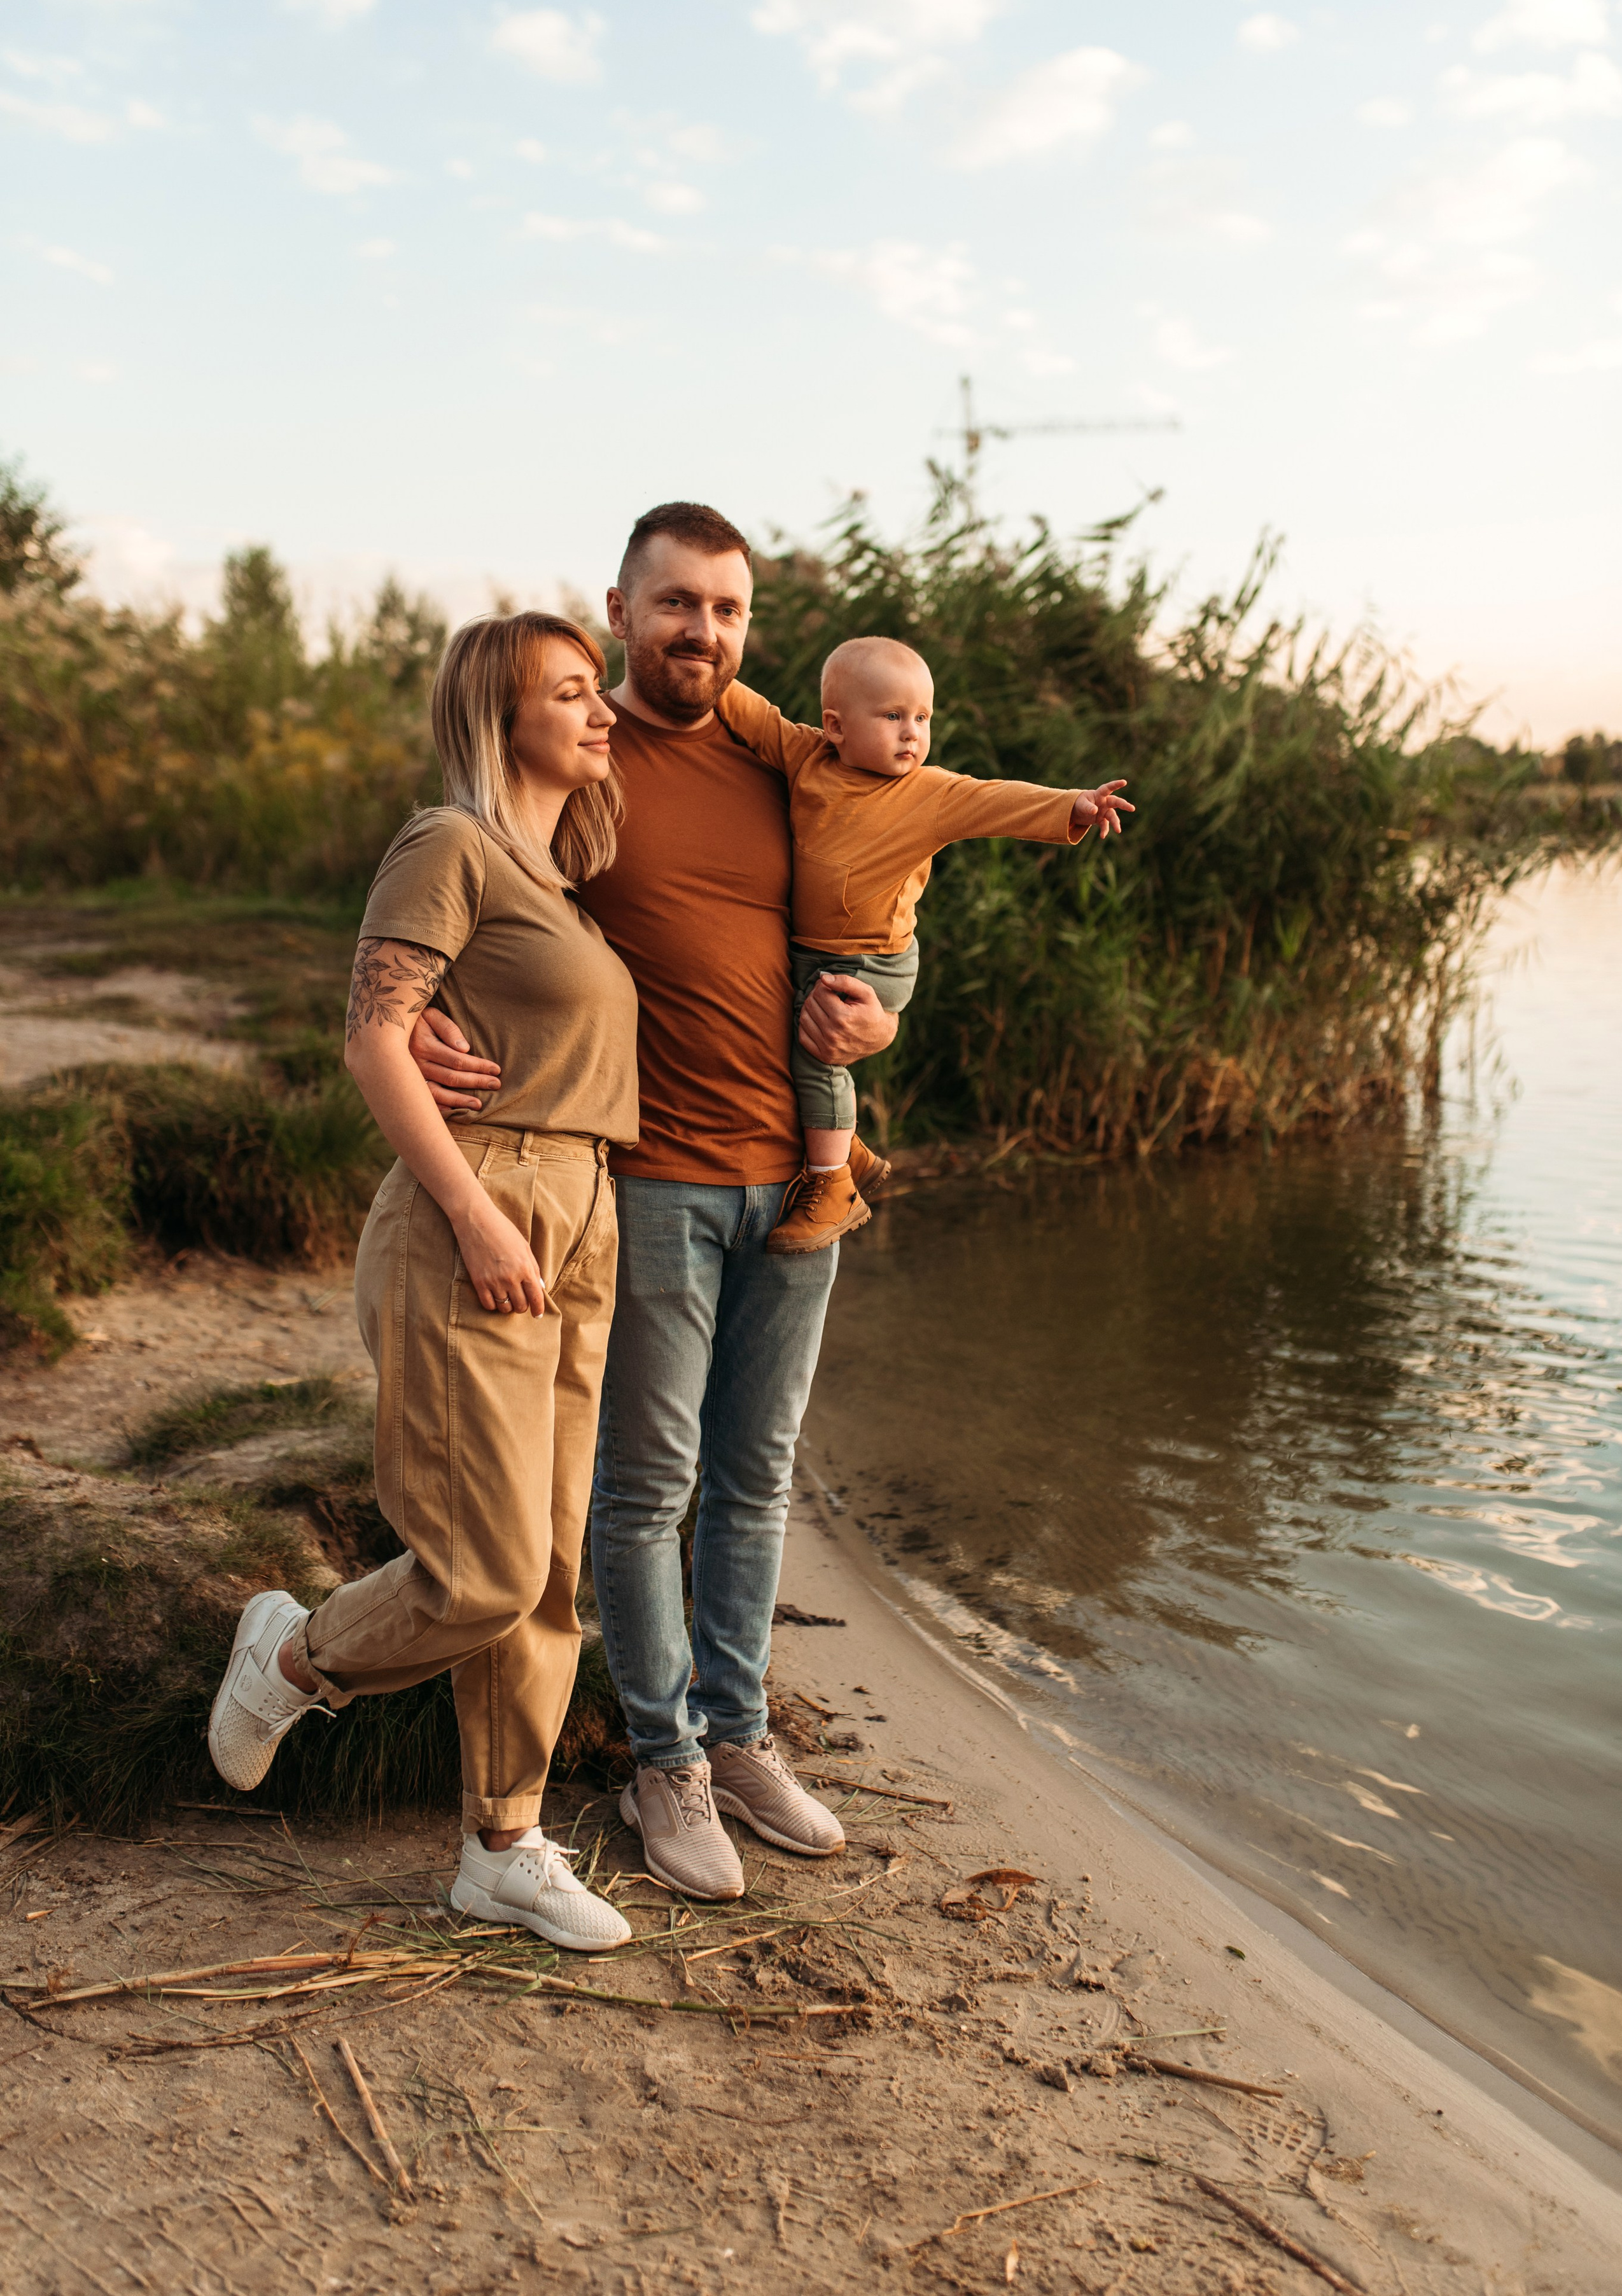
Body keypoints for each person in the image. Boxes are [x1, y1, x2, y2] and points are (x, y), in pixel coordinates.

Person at [409, 503, 898, 1902]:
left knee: (756, 1476)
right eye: (676, 605)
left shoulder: (785, 764)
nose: (702, 631)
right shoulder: (583, 758)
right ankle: (660, 1759)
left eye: (727, 611)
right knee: (643, 1487)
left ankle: (738, 1736)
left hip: (799, 1184)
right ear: (618, 611)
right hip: (651, 1181)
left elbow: (872, 923)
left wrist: (878, 1018)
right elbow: (467, 872)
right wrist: (419, 1013)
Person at [207, 611, 638, 1953]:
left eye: (592, 688)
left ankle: (499, 1847)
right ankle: (294, 1656)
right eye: (567, 692)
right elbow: (372, 1039)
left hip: (582, 1212)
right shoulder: (446, 843)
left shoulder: (559, 882)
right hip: (482, 1214)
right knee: (486, 1569)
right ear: (497, 716)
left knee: (554, 1568)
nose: (597, 710)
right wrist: (472, 1208)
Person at [715, 637, 1133, 1253]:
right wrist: (711, 668)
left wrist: (1072, 803)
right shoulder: (807, 756)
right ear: (836, 725)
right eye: (892, 717)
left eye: (922, 718)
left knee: (816, 1050)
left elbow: (995, 798)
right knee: (768, 1028)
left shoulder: (925, 792)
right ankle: (846, 1146)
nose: (912, 733)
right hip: (813, 948)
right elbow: (755, 716)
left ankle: (831, 1187)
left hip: (870, 959)